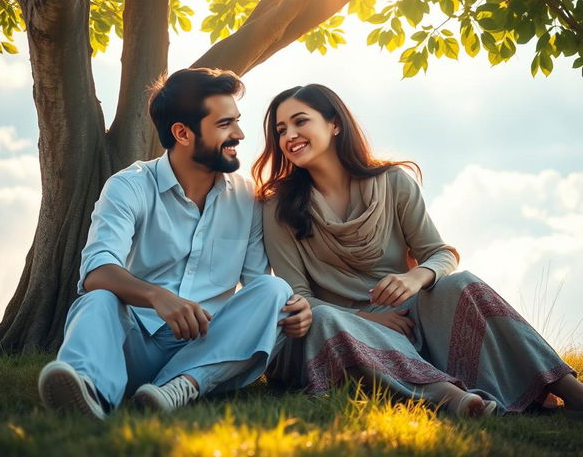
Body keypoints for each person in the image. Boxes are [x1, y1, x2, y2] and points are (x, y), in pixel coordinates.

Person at [253, 83, 583, 417]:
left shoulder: (393, 181)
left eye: (300, 122)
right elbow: (297, 297)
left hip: (408, 320)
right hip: (338, 326)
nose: (289, 136)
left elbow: (441, 253)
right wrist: (369, 318)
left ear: (334, 124)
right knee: (324, 318)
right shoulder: (279, 206)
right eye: (281, 130)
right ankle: (451, 398)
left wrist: (415, 277)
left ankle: (570, 390)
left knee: (461, 282)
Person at [38, 68, 312, 420]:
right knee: (98, 299)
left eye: (237, 121)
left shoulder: (248, 196)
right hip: (134, 344)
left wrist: (291, 310)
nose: (240, 134)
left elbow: (257, 284)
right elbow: (96, 269)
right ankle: (88, 391)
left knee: (275, 290)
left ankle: (182, 386)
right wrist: (157, 296)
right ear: (182, 133)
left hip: (209, 346)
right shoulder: (129, 186)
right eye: (225, 124)